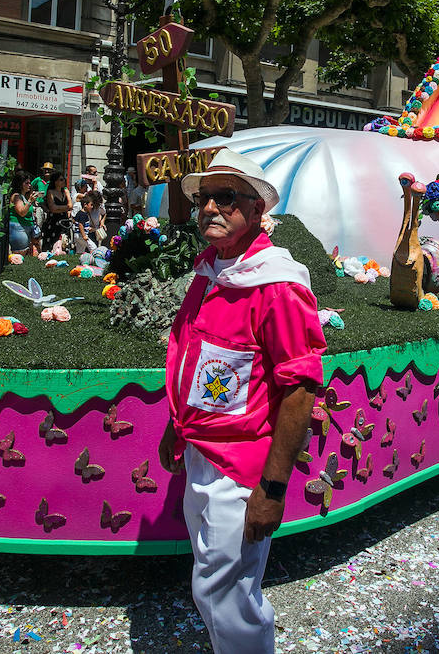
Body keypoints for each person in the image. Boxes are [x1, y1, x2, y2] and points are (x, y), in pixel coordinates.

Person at [157, 149, 325, 654]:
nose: (210, 207)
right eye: (204, 198)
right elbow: (195, 357)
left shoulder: (277, 286)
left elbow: (299, 389)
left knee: (226, 592)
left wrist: (272, 490)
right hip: (201, 454)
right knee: (213, 584)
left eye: (225, 197)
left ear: (256, 211)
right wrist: (176, 427)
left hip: (240, 469)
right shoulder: (211, 272)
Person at [40, 171, 73, 253]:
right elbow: (52, 208)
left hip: (64, 220)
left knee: (64, 242)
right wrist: (65, 208)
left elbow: (70, 206)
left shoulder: (65, 191)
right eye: (61, 180)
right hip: (53, 221)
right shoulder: (50, 192)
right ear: (55, 181)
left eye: (64, 179)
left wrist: (58, 208)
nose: (63, 181)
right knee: (51, 242)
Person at [6, 171, 38, 254]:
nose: (29, 185)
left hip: (26, 228)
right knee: (19, 255)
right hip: (18, 229)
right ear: (20, 184)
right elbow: (22, 212)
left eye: (30, 183)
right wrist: (30, 201)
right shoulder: (16, 196)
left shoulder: (23, 196)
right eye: (26, 183)